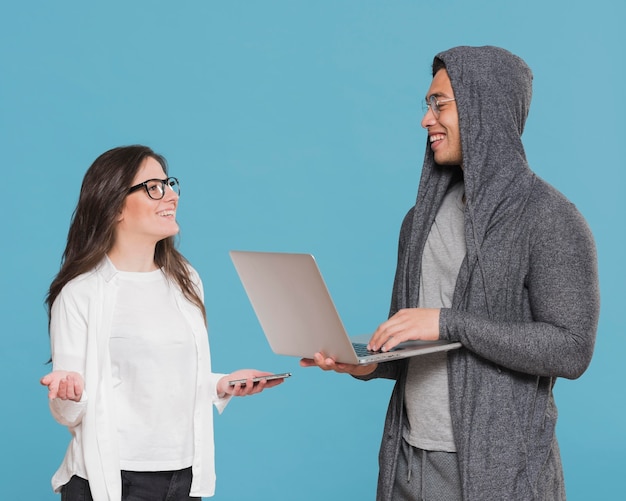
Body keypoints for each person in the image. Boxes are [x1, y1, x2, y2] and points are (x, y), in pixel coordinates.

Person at [301, 46, 600, 500]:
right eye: (427, 104)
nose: (426, 119)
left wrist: (448, 321)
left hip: (497, 475)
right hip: (407, 463)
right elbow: (413, 346)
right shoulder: (417, 221)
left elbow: (571, 348)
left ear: (485, 107)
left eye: (440, 104)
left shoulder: (550, 219)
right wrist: (361, 364)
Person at [40, 145, 286, 501]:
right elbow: (69, 412)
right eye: (153, 187)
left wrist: (222, 384)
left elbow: (164, 378)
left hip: (183, 478)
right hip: (111, 480)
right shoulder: (81, 294)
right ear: (115, 206)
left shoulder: (185, 279)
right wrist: (69, 393)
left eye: (169, 184)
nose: (171, 195)